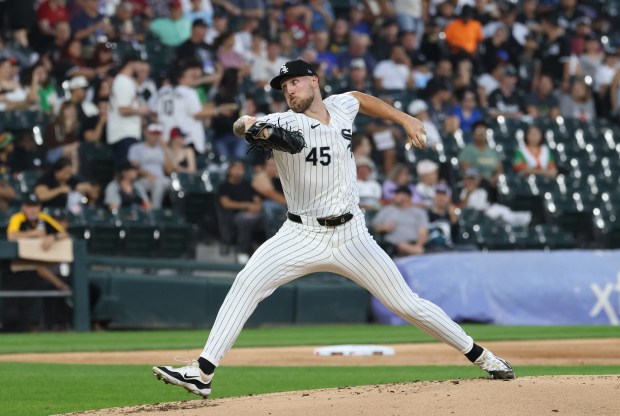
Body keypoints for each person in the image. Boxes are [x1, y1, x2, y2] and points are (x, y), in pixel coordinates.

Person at [152, 59, 515, 397]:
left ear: (314, 81)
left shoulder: (342, 106)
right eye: (283, 87)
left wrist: (404, 118)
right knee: (247, 283)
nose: (289, 91)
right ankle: (202, 372)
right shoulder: (286, 123)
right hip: (300, 234)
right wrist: (251, 125)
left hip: (352, 235)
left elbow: (361, 98)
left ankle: (485, 357)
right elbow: (243, 125)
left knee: (407, 304)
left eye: (294, 82)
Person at [216, 160, 263, 265]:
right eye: (235, 168)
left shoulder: (248, 185)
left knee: (268, 217)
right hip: (233, 216)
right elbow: (225, 204)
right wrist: (246, 206)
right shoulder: (224, 186)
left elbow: (257, 200)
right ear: (229, 170)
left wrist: (257, 207)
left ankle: (266, 252)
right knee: (243, 220)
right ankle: (241, 251)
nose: (238, 171)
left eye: (241, 169)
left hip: (254, 215)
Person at [372, 185, 429, 257]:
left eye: (397, 194)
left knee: (411, 248)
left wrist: (418, 246)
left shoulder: (418, 212)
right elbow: (374, 227)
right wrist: (384, 227)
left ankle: (414, 251)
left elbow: (423, 232)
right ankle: (418, 252)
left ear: (407, 196)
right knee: (401, 246)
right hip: (392, 246)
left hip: (413, 244)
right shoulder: (387, 210)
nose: (394, 196)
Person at [128, 123, 174, 210]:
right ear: (146, 133)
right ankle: (154, 210)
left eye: (158, 134)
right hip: (143, 179)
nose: (155, 136)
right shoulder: (136, 148)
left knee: (168, 184)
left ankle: (159, 210)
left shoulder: (162, 149)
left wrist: (165, 148)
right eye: (153, 133)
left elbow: (170, 169)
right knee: (156, 184)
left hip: (161, 179)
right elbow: (133, 167)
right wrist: (147, 174)